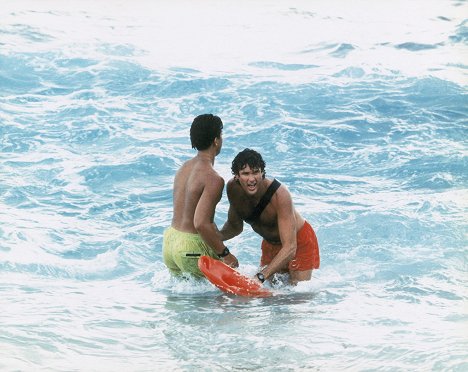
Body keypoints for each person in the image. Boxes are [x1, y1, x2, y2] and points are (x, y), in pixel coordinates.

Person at [220, 148, 319, 285]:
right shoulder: (233, 188)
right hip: (270, 243)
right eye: (245, 173)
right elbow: (234, 227)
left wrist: (260, 276)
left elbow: (290, 247)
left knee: (296, 295)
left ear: (262, 172)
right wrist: (211, 238)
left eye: (256, 172)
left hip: (298, 241)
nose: (251, 179)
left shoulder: (280, 195)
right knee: (270, 294)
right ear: (237, 176)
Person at [163, 114, 239, 278]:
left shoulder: (184, 168)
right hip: (191, 250)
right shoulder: (213, 178)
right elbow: (201, 223)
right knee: (217, 300)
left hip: (170, 241)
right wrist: (225, 254)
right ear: (216, 140)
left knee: (183, 301)